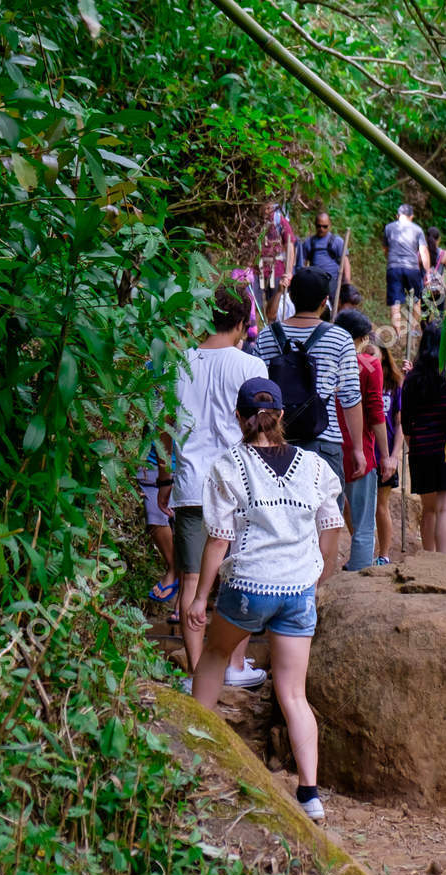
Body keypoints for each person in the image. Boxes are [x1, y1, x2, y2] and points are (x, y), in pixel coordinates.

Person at [187, 378, 345, 821]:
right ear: (280, 417)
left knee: (215, 656)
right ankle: (310, 794)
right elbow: (331, 524)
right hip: (297, 591)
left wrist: (201, 599)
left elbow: (219, 539)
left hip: (249, 589)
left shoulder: (228, 465)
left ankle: (193, 749)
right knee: (294, 693)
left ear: (239, 417)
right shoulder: (315, 466)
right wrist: (319, 575)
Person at [160, 286, 269, 688]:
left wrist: (165, 478)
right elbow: (261, 428)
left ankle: (194, 671)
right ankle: (233, 666)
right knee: (236, 577)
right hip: (237, 485)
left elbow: (164, 426)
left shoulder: (179, 362)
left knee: (191, 581)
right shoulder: (250, 366)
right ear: (241, 323)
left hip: (190, 484)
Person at [254, 267, 366, 484]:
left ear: (292, 297)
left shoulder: (267, 336)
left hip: (276, 444)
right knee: (326, 517)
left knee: (281, 516)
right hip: (323, 444)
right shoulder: (340, 338)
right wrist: (358, 449)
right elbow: (350, 397)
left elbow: (257, 391)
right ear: (325, 301)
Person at [401, 321, 446, 553]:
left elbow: (406, 421)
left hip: (422, 449)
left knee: (429, 509)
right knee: (445, 508)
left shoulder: (413, 378)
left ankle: (429, 558)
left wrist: (414, 446)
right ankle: (443, 564)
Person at [333, 309, 392, 570]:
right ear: (361, 339)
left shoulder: (319, 361)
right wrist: (386, 455)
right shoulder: (369, 365)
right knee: (363, 523)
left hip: (324, 449)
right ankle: (359, 577)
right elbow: (376, 412)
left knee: (324, 520)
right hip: (360, 452)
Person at [373, 343, 405, 564]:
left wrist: (394, 455)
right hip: (366, 452)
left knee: (380, 505)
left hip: (385, 453)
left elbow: (400, 422)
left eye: (373, 353)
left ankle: (384, 555)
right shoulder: (358, 378)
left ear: (384, 355)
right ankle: (363, 548)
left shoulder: (394, 385)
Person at [136, 445, 178, 602]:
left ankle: (193, 584)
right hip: (152, 465)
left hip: (190, 463)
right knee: (155, 515)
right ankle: (174, 568)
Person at [383, 203, 428, 336]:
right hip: (412, 269)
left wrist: (391, 260)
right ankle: (413, 329)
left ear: (398, 216)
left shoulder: (388, 228)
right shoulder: (417, 230)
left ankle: (397, 333)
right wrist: (427, 272)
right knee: (416, 299)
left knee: (395, 301)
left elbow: (386, 249)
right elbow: (424, 252)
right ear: (411, 216)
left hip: (394, 268)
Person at [297, 212, 350, 306]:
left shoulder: (337, 241)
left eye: (325, 226)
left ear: (330, 226)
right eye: (319, 226)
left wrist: (347, 281)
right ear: (315, 225)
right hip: (315, 282)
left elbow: (345, 261)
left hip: (333, 282)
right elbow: (303, 263)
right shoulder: (309, 242)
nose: (321, 229)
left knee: (334, 308)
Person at [257, 200, 296, 323]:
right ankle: (253, 335)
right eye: (265, 207)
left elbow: (289, 245)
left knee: (274, 307)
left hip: (277, 269)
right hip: (257, 269)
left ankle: (272, 334)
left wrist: (288, 272)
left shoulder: (280, 221)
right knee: (256, 305)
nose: (267, 211)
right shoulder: (253, 223)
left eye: (270, 208)